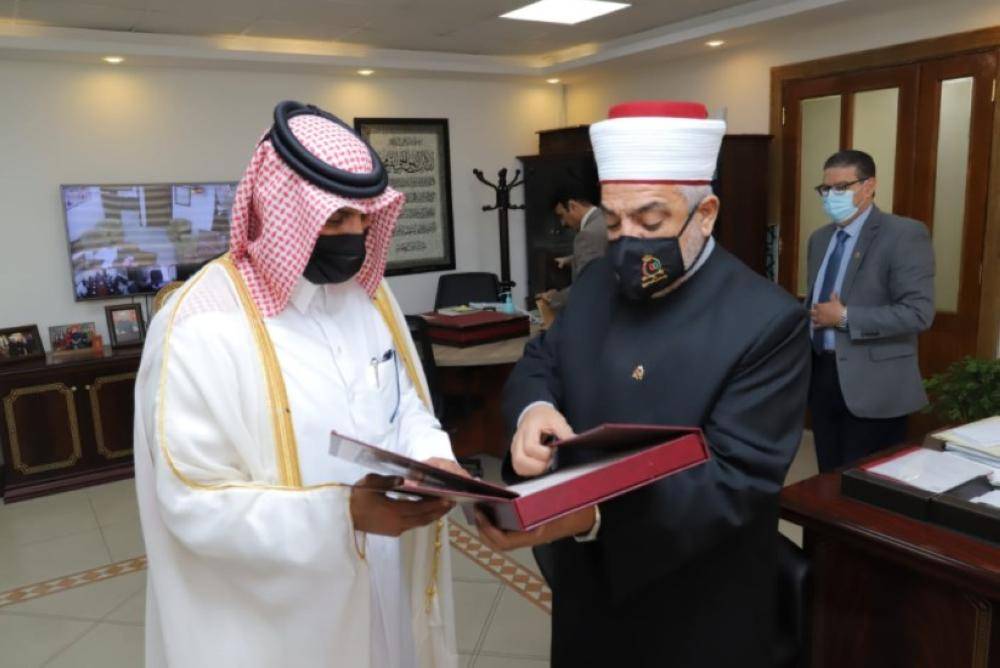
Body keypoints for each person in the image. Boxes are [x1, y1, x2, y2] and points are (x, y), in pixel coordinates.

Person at [474, 100, 811, 667]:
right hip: (587, 586)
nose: (628, 241)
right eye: (613, 222)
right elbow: (541, 361)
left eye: (650, 222)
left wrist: (589, 514)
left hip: (697, 601)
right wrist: (535, 410)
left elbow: (734, 478)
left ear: (706, 213)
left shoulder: (766, 321)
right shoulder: (598, 284)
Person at [133, 101, 460, 668]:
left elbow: (401, 403)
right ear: (279, 211)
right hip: (277, 622)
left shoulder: (368, 297)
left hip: (380, 578)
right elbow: (192, 499)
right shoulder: (200, 326)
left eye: (363, 219)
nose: (353, 236)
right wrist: (342, 517)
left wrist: (435, 457)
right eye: (335, 220)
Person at [806, 149, 934, 472]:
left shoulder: (903, 234)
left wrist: (845, 318)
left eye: (841, 188)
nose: (831, 197)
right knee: (827, 478)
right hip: (822, 375)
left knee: (864, 486)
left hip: (875, 386)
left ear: (869, 186)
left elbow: (918, 312)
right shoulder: (819, 239)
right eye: (825, 189)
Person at [536, 182, 607, 310]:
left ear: (572, 206)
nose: (563, 223)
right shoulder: (606, 219)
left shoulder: (587, 234)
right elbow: (603, 254)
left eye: (561, 215)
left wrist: (554, 298)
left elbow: (586, 287)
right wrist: (572, 259)